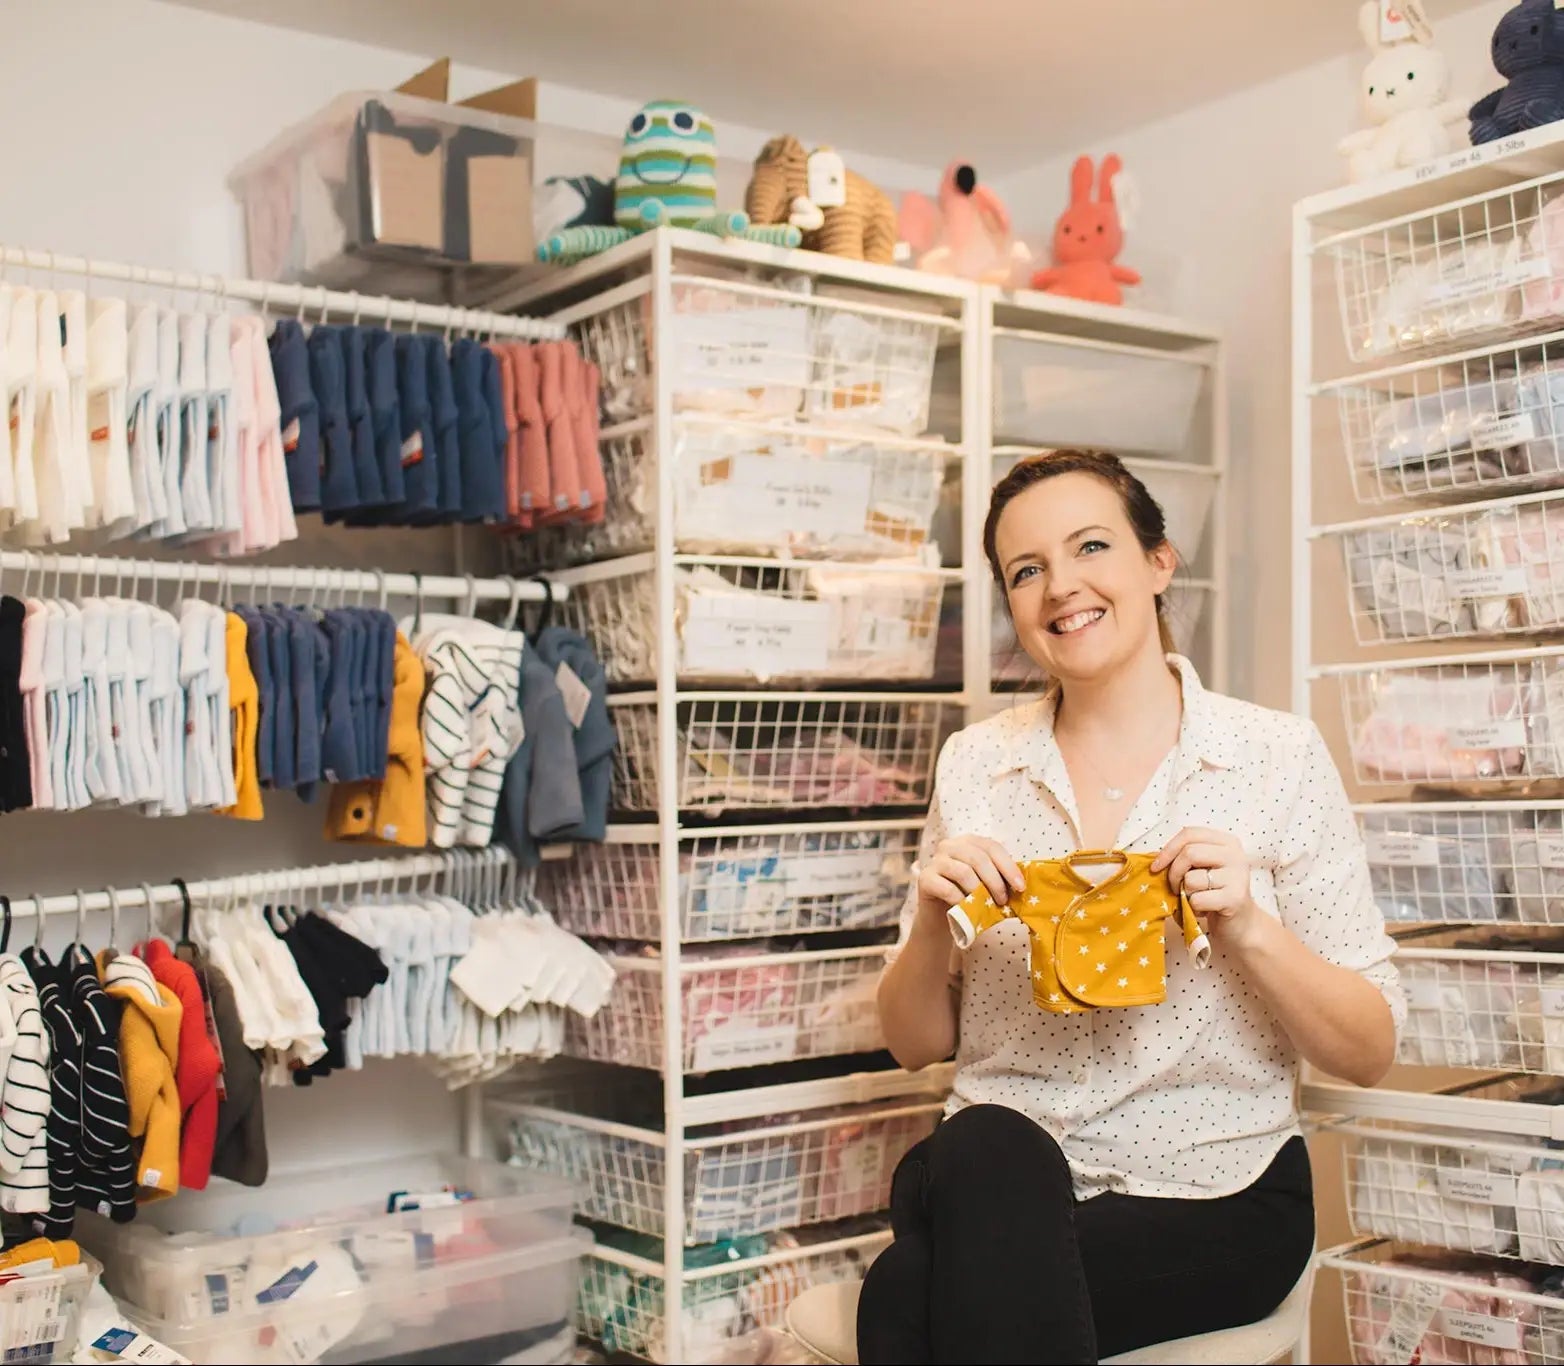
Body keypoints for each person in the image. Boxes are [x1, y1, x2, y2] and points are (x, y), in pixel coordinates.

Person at [860, 450, 1403, 1365]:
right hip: (1005, 1167)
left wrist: (1247, 929)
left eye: (1091, 547)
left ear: (1159, 560)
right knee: (990, 1142)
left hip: (1217, 1189)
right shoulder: (977, 767)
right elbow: (916, 1042)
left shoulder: (1275, 759)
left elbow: (1370, 1051)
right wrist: (928, 921)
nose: (1060, 587)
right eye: (1026, 571)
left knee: (906, 1292)